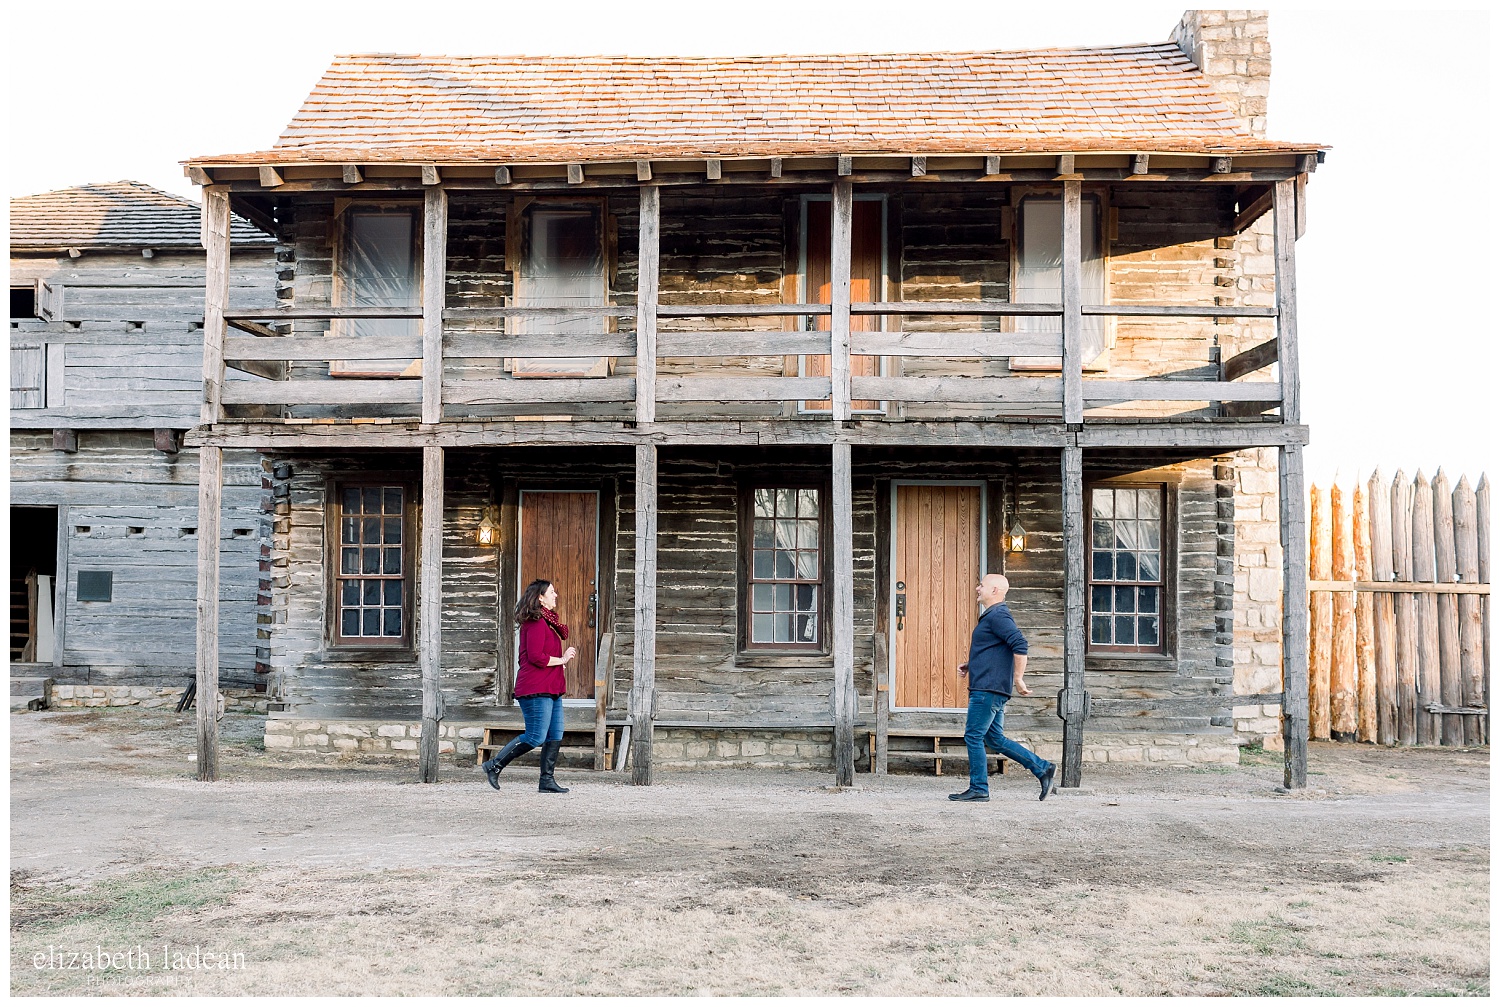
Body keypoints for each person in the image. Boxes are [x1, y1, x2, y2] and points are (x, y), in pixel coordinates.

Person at [949, 573, 1056, 802]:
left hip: (988, 689)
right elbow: (997, 650)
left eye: (981, 585)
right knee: (995, 739)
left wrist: (1018, 678)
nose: (977, 588)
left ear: (995, 590)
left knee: (973, 736)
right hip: (992, 688)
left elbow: (1019, 644)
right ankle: (1043, 768)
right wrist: (971, 664)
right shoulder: (993, 616)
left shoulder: (998, 615)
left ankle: (979, 788)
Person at [482, 578, 578, 794]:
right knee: (536, 736)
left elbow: (541, 657)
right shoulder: (534, 622)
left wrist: (559, 665)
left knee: (555, 734)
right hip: (535, 689)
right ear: (540, 597)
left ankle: (546, 781)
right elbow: (536, 656)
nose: (556, 595)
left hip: (551, 687)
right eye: (552, 592)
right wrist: (561, 661)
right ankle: (494, 765)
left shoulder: (548, 623)